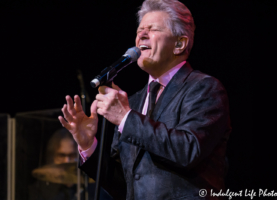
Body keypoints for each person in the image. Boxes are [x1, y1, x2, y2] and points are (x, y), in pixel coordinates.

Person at [59, 0, 231, 199]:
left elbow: (188, 150)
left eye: (153, 29)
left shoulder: (204, 88)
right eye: (140, 30)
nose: (141, 34)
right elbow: (126, 185)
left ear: (179, 44)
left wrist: (126, 118)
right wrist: (89, 145)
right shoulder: (133, 102)